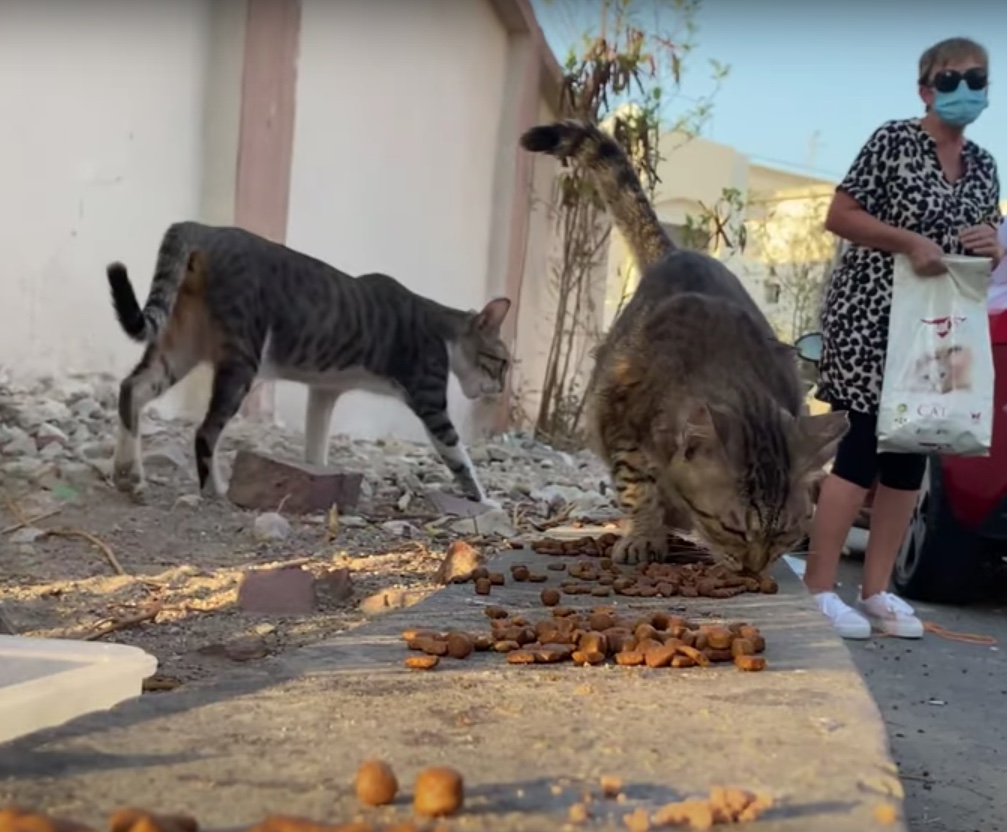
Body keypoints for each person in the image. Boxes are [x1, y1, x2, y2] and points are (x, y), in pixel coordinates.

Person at [805, 37, 1004, 639]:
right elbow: (840, 215)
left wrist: (993, 247)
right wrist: (907, 240)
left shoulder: (986, 167)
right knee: (863, 445)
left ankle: (877, 592)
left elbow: (986, 251)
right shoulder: (893, 141)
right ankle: (817, 589)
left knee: (911, 451)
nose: (963, 90)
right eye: (949, 80)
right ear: (925, 89)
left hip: (940, 328)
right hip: (872, 317)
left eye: (976, 78)